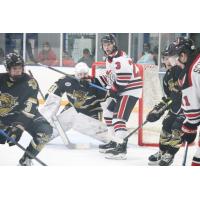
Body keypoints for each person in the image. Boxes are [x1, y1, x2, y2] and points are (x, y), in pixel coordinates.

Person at [0, 53, 53, 166]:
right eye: (15, 69)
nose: (18, 71)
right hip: (3, 116)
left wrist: (18, 126)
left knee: (45, 131)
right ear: (8, 69)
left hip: (23, 115)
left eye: (20, 68)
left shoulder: (30, 82)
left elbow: (30, 106)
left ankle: (26, 159)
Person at [98, 34, 143, 159]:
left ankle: (121, 149)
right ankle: (113, 141)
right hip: (122, 90)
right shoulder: (109, 59)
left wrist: (112, 91)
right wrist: (90, 80)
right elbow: (111, 78)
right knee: (108, 112)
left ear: (114, 44)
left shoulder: (121, 59)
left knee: (118, 119)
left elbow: (123, 81)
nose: (106, 47)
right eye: (104, 45)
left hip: (130, 91)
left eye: (109, 44)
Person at [40, 62, 109, 142]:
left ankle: (113, 140)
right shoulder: (67, 80)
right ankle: (46, 136)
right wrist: (49, 95)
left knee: (98, 132)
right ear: (75, 73)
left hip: (92, 110)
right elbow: (56, 87)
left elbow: (105, 97)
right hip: (73, 108)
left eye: (85, 74)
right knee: (59, 124)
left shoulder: (95, 82)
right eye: (80, 74)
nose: (83, 76)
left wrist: (91, 87)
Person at [147, 45, 185, 166]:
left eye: (170, 57)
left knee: (176, 127)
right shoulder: (166, 77)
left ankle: (171, 153)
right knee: (166, 125)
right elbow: (169, 98)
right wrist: (159, 109)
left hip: (187, 108)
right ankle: (162, 151)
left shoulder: (183, 72)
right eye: (165, 58)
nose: (167, 61)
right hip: (175, 108)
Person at [171, 37, 200, 166]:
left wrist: (189, 128)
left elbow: (193, 115)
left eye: (177, 58)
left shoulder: (189, 74)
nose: (176, 62)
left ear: (183, 55)